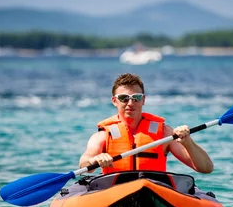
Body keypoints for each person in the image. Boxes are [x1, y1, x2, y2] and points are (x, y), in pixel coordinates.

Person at [79, 73, 214, 174]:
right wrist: (93, 160)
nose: (130, 103)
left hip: (152, 190)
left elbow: (206, 168)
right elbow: (84, 163)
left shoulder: (165, 133)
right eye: (124, 98)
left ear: (143, 100)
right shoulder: (102, 136)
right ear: (114, 101)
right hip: (115, 191)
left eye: (136, 98)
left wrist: (188, 142)